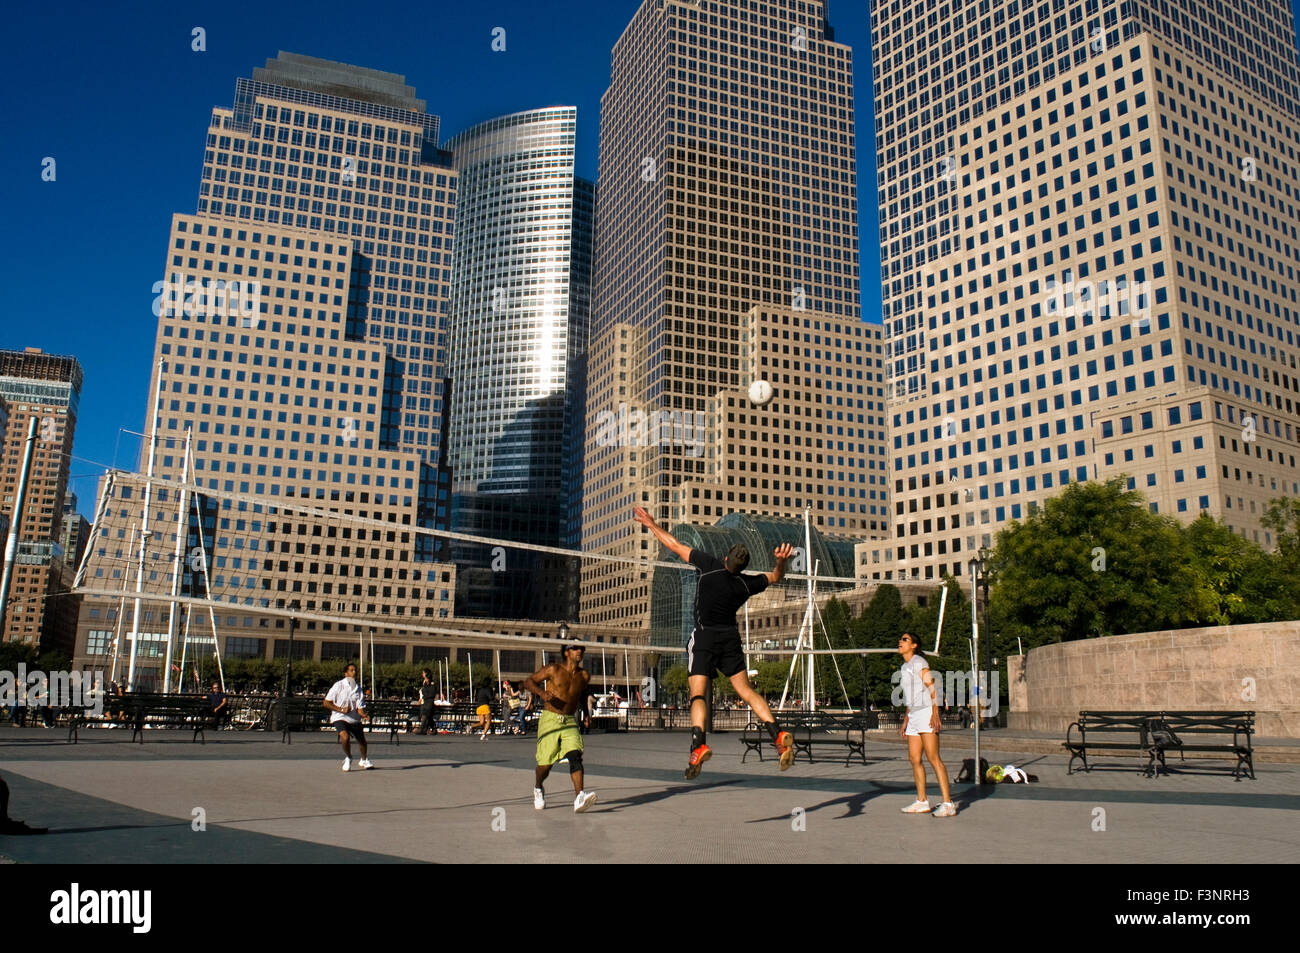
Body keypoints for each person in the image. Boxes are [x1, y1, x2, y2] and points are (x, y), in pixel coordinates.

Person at [633, 506, 796, 778]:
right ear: (742, 567)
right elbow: (777, 576)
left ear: (725, 558)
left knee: (697, 694)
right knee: (745, 691)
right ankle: (777, 734)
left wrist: (651, 524)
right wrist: (780, 561)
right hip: (730, 637)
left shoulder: (708, 566)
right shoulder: (746, 584)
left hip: (705, 635)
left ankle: (698, 745)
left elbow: (673, 544)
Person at [522, 642, 597, 813]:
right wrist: (541, 693)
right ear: (567, 652)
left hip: (570, 720)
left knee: (575, 755)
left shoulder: (584, 675)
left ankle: (579, 797)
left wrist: (586, 714)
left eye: (582, 649)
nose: (580, 651)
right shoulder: (553, 669)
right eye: (576, 648)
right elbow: (529, 681)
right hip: (551, 719)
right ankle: (538, 787)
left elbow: (582, 693)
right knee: (545, 765)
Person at [897, 633, 956, 817]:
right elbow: (910, 696)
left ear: (914, 645)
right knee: (914, 759)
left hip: (926, 712)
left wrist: (936, 711)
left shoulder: (918, 662)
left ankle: (948, 803)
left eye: (905, 639)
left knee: (933, 758)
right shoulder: (904, 666)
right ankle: (922, 801)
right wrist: (906, 719)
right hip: (914, 714)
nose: (900, 641)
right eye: (901, 639)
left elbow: (933, 686)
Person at [323, 663, 372, 772]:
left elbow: (359, 708)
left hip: (354, 719)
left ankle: (363, 760)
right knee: (345, 737)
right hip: (339, 717)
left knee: (362, 742)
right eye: (351, 670)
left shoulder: (358, 689)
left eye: (355, 670)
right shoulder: (338, 685)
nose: (354, 672)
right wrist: (341, 709)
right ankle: (349, 757)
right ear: (346, 673)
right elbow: (326, 703)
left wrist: (364, 715)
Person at [414, 669, 438, 735]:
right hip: (425, 701)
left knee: (426, 713)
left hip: (429, 701)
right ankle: (432, 729)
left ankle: (422, 729)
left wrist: (426, 693)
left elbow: (432, 693)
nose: (422, 674)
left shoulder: (432, 683)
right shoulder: (424, 682)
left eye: (423, 673)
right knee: (427, 715)